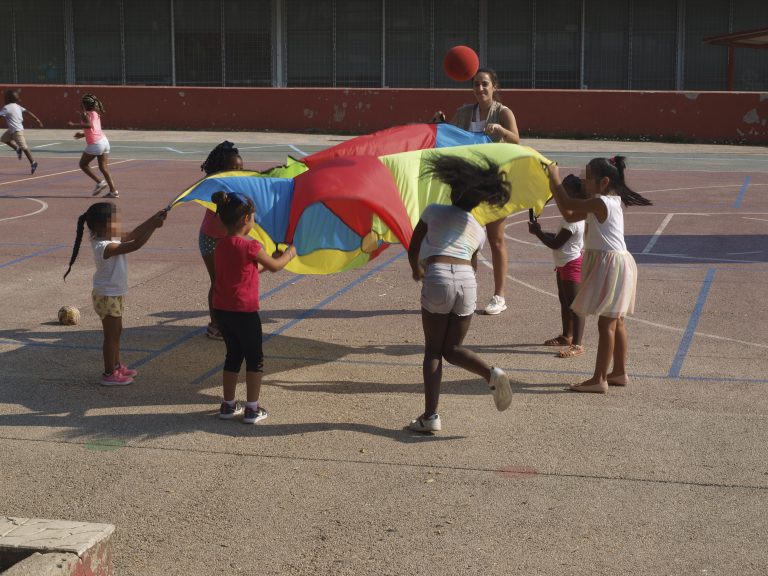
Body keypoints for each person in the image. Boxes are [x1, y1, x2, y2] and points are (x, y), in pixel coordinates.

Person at [407, 155, 514, 433]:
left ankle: (430, 417)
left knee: (433, 350)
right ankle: (490, 373)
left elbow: (414, 245)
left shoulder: (433, 211)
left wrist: (416, 270)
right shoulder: (477, 229)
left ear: (453, 190)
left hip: (438, 276)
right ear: (478, 201)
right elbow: (474, 264)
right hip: (467, 281)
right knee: (452, 349)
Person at [545, 157, 652, 393]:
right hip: (615, 265)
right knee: (617, 321)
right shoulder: (604, 202)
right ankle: (619, 372)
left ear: (604, 182)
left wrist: (555, 180)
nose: (584, 181)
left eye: (588, 177)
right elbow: (571, 214)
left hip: (612, 266)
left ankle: (599, 379)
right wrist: (555, 187)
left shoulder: (601, 202)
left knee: (607, 324)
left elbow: (568, 203)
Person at [433, 68, 520, 315]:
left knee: (496, 239)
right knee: (466, 240)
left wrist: (502, 132)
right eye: (476, 85)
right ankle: (466, 290)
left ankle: (499, 296)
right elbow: (449, 138)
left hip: (494, 184)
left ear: (494, 87)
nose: (480, 89)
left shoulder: (503, 112)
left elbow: (517, 142)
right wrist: (439, 123)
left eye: (485, 84)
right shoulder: (464, 112)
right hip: (468, 184)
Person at [211, 190, 296, 424]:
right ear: (245, 219)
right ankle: (252, 408)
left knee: (233, 356)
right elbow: (277, 266)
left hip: (222, 311)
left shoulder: (221, 245)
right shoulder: (250, 246)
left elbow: (245, 270)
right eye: (253, 217)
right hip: (245, 313)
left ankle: (228, 405)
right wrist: (289, 253)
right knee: (254, 359)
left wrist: (266, 264)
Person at [64, 202, 167, 385]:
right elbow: (135, 244)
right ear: (99, 226)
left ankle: (117, 365)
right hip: (107, 296)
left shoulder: (110, 236)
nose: (119, 225)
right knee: (111, 336)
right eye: (115, 222)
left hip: (114, 293)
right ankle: (109, 374)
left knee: (117, 332)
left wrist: (153, 219)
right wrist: (154, 228)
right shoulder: (104, 246)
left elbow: (133, 234)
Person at [528, 174, 586, 358]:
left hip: (571, 264)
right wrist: (541, 231)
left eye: (564, 193)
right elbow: (559, 237)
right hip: (563, 262)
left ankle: (577, 343)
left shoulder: (574, 219)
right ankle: (566, 336)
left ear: (574, 195)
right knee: (565, 301)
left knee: (575, 306)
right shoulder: (570, 216)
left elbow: (555, 243)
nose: (561, 197)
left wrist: (538, 233)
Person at [198, 142, 243, 340]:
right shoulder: (215, 185)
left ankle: (229, 320)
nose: (237, 171)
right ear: (221, 169)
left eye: (240, 168)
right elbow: (214, 197)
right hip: (210, 238)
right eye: (233, 168)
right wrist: (220, 198)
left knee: (231, 281)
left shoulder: (243, 184)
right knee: (218, 282)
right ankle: (215, 325)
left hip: (229, 238)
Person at [68, 94, 118, 197]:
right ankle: (113, 191)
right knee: (103, 168)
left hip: (96, 144)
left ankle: (100, 182)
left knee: (83, 164)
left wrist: (74, 125)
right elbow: (94, 129)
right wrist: (82, 134)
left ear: (84, 104)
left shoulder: (84, 114)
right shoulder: (95, 112)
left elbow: (89, 125)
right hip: (104, 141)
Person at [0, 89, 43, 174]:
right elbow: (28, 112)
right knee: (4, 139)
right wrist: (37, 120)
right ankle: (17, 148)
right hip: (12, 130)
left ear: (7, 99)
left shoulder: (6, 108)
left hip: (17, 131)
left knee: (24, 147)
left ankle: (33, 162)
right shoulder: (18, 106)